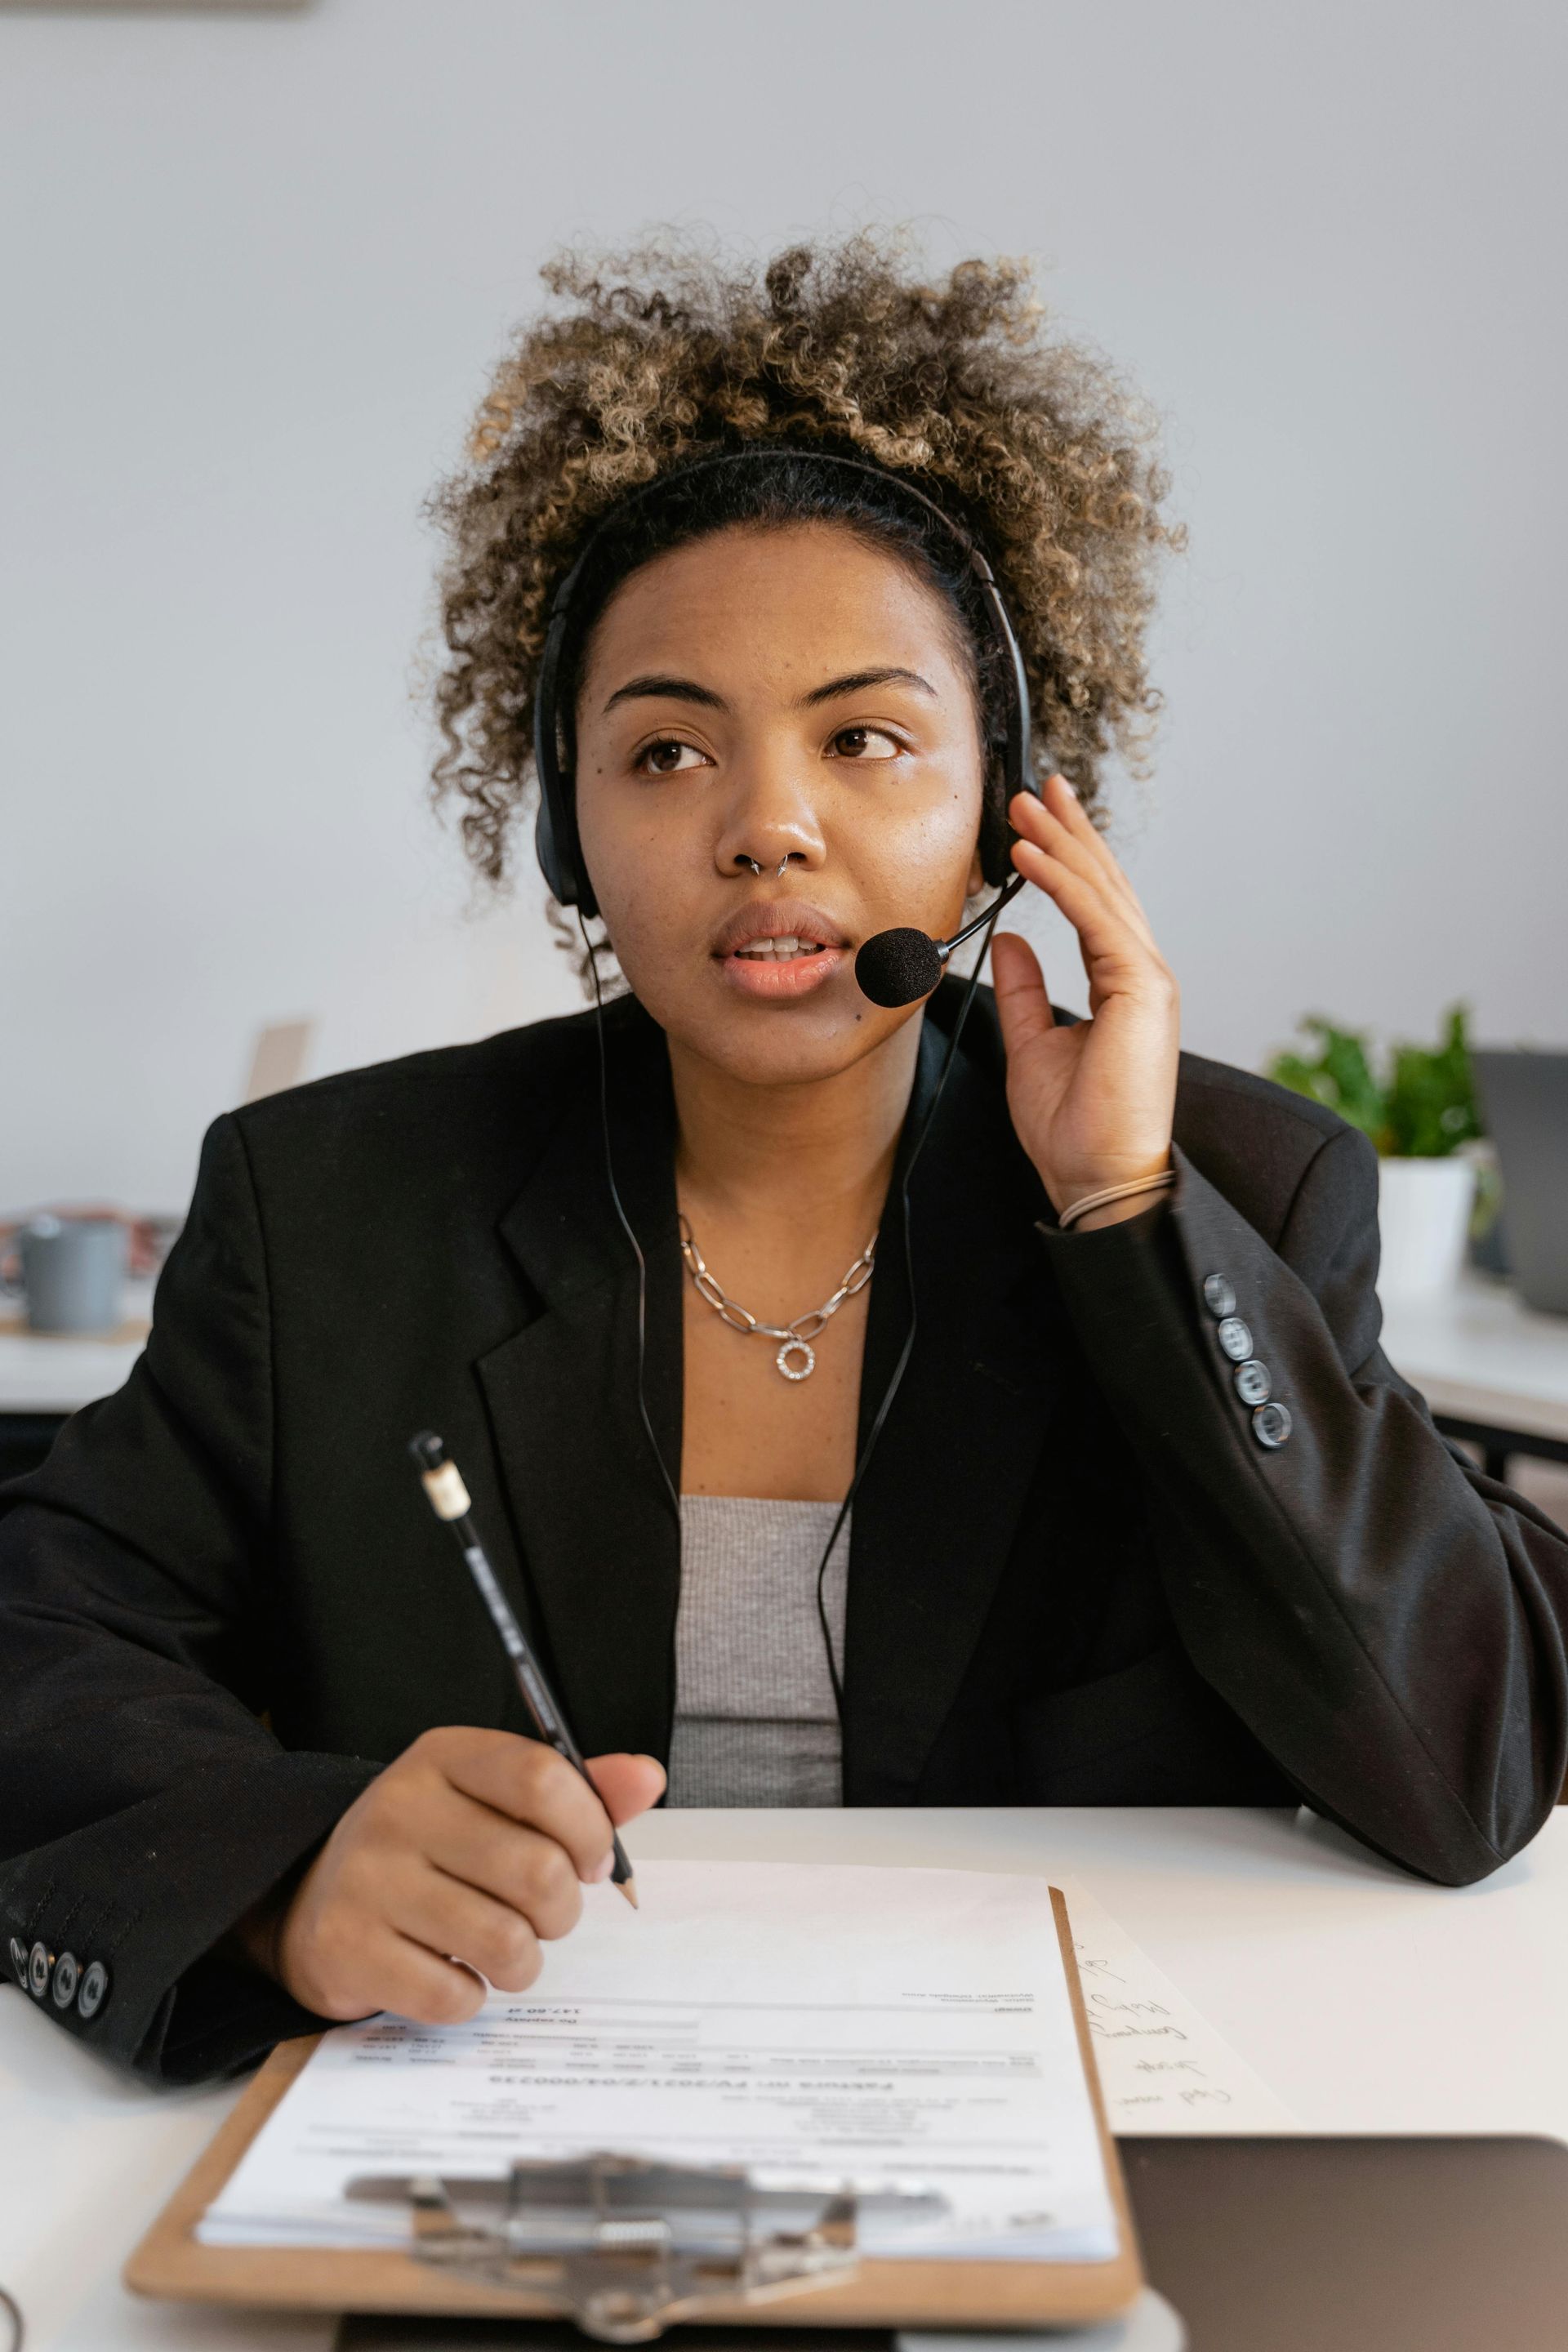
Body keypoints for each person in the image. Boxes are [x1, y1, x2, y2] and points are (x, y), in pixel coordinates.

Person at [3, 238, 1566, 2088]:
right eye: (666, 753)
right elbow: (42, 1638)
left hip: (1053, 2118)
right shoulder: (330, 1200)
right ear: (567, 833)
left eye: (868, 740)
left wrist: (1127, 1221)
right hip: (495, 2109)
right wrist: (283, 1875)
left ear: (1007, 809)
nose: (769, 829)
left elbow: (1464, 1774)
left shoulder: (1233, 1188)